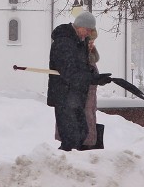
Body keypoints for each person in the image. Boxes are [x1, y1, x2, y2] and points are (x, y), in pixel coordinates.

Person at [47, 11, 112, 151]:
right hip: (64, 96)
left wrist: (95, 76)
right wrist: (92, 78)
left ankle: (67, 164)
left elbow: (83, 66)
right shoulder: (64, 42)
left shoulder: (79, 42)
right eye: (87, 30)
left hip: (75, 96)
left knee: (82, 133)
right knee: (71, 138)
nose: (88, 34)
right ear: (79, 26)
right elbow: (70, 72)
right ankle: (60, 165)